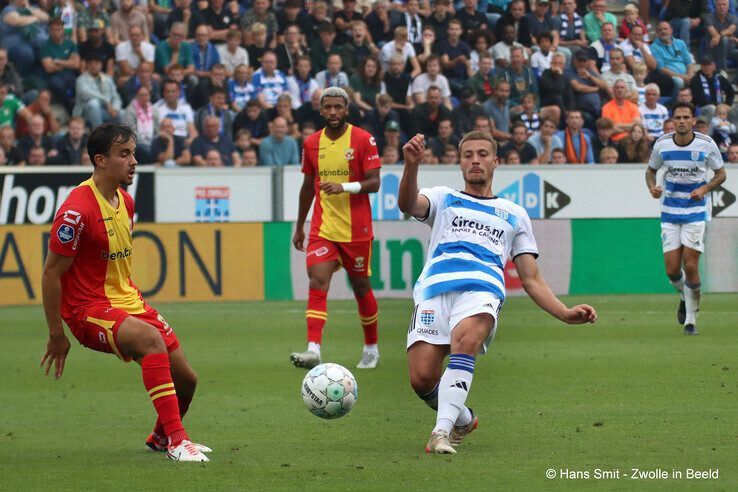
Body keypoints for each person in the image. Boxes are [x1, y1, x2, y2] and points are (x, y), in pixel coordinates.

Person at [398, 130, 597, 454]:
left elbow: (531, 278)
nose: (475, 160)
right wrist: (411, 166)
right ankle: (462, 418)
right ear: (460, 163)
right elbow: (407, 203)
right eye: (468, 155)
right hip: (434, 291)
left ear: (495, 161)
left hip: (482, 289)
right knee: (422, 379)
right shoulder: (444, 198)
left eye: (482, 154)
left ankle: (441, 433)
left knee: (465, 341)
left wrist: (564, 312)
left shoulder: (514, 214)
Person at [41, 123, 210, 462]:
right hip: (87, 310)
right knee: (150, 341)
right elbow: (50, 274)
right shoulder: (76, 212)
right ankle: (179, 441)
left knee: (187, 381)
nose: (134, 161)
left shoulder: (125, 201)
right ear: (100, 160)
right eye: (124, 154)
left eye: (133, 152)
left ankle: (160, 438)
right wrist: (57, 334)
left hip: (128, 300)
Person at [290, 87, 381, 370]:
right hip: (323, 227)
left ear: (346, 109)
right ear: (320, 110)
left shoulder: (363, 139)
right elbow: (308, 188)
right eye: (327, 107)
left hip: (356, 230)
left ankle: (371, 347)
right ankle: (313, 349)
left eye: (337, 107)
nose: (332, 112)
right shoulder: (311, 144)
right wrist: (300, 226)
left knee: (360, 286)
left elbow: (374, 183)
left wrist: (344, 187)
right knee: (317, 281)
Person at [646, 102, 727, 335]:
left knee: (690, 265)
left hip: (695, 210)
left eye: (686, 117)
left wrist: (705, 188)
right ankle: (684, 295)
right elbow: (650, 171)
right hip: (670, 211)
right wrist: (652, 187)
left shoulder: (706, 144)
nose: (681, 121)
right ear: (672, 121)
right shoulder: (662, 144)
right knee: (672, 270)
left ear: (693, 121)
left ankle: (691, 320)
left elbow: (721, 174)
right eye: (677, 117)